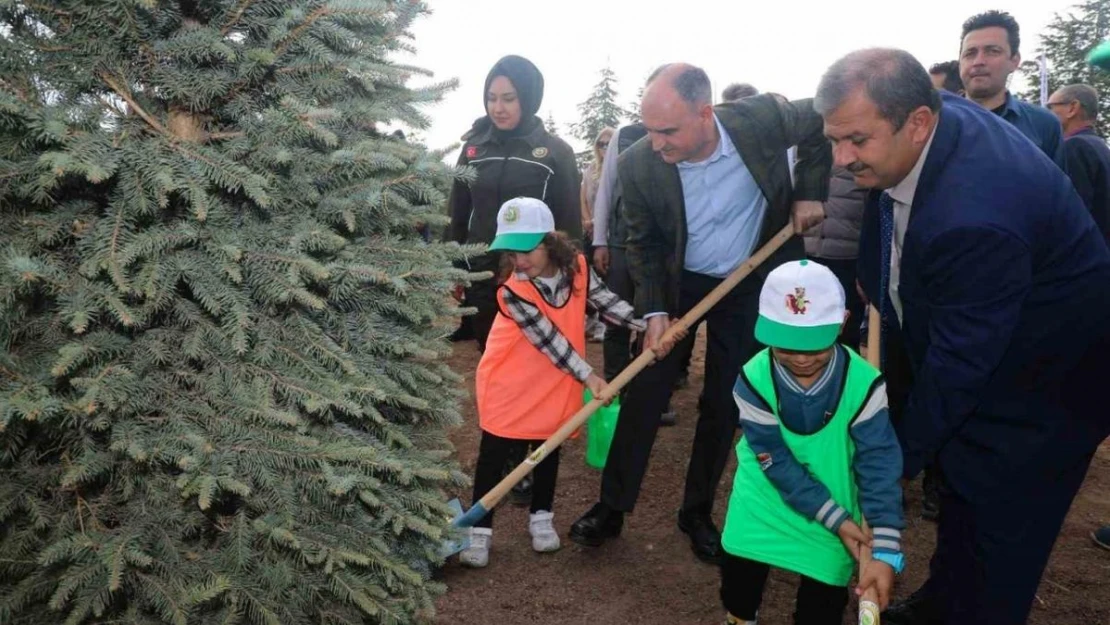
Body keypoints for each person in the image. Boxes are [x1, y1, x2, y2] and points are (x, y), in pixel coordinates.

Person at [817, 47, 1110, 625]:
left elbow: (958, 368)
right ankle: (941, 604)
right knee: (958, 495)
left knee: (1000, 529)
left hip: (1043, 391)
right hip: (992, 339)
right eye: (833, 139)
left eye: (856, 141)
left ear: (918, 123)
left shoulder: (973, 216)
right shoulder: (926, 112)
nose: (841, 158)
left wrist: (890, 463)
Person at [569, 63, 830, 564]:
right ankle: (612, 505)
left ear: (705, 113)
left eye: (668, 130)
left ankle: (697, 511)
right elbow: (641, 241)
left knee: (726, 396)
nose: (656, 142)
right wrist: (656, 311)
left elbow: (821, 122)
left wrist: (808, 191)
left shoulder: (762, 119)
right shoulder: (641, 161)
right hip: (679, 281)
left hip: (747, 277)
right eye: (648, 129)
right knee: (646, 385)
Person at [459, 197, 650, 568]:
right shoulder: (511, 291)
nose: (520, 260)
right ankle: (478, 530)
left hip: (557, 379)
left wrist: (647, 326)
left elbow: (605, 301)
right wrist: (591, 377)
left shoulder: (578, 267)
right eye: (512, 252)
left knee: (549, 446)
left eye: (527, 249)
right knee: (494, 454)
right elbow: (550, 341)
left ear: (550, 241)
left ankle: (541, 517)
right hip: (509, 380)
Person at [721, 259, 904, 625]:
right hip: (766, 496)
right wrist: (834, 519)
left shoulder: (865, 386)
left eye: (813, 344)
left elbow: (879, 462)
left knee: (821, 606)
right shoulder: (753, 379)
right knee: (739, 586)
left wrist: (885, 548)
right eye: (786, 346)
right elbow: (774, 459)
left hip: (836, 499)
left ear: (842, 323)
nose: (802, 358)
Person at [447, 55, 582, 353]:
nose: (498, 108)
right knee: (492, 351)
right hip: (481, 274)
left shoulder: (555, 152)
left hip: (532, 274)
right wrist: (454, 266)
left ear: (529, 97)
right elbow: (457, 213)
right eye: (491, 98)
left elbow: (569, 221)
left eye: (508, 98)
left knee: (532, 357)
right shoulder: (474, 150)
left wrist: (569, 274)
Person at [958, 10, 1066, 170]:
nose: (978, 61)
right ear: (959, 62)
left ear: (1014, 61)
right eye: (970, 53)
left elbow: (1057, 191)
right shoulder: (935, 121)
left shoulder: (1043, 124)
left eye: (992, 51)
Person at [803, 166, 867, 349]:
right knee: (802, 319)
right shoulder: (803, 150)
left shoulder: (860, 154)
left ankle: (846, 373)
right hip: (803, 256)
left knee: (844, 327)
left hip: (846, 259)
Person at [1048, 84, 1110, 242]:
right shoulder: (1098, 145)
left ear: (1072, 108)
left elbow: (1073, 215)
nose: (1045, 113)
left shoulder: (1073, 147)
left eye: (1050, 107)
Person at [581, 127, 616, 343]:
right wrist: (587, 221)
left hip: (612, 234)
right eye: (600, 143)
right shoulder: (590, 170)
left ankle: (605, 323)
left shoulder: (619, 168)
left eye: (608, 143)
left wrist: (602, 224)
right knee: (587, 278)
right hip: (590, 232)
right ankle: (591, 318)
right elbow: (583, 198)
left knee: (608, 280)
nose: (604, 147)